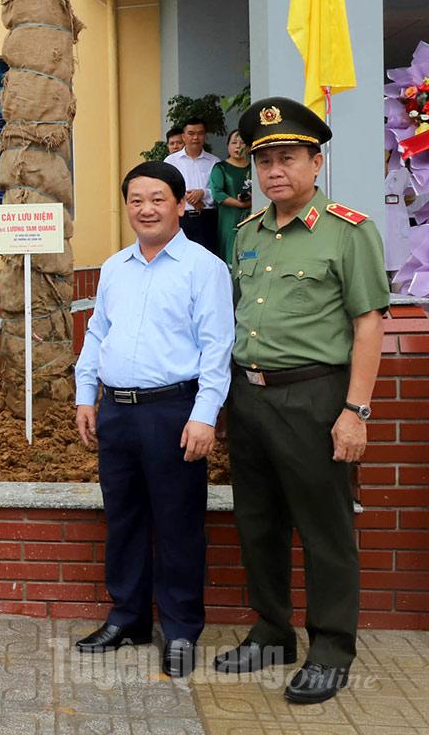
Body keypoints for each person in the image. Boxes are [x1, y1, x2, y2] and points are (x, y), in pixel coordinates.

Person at [214, 98, 389, 704]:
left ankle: (332, 648)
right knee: (258, 523)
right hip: (250, 397)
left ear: (316, 163)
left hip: (314, 397)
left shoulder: (348, 231)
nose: (274, 172)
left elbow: (369, 323)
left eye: (288, 158)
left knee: (324, 530)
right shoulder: (247, 234)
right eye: (264, 162)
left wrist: (355, 411)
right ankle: (271, 632)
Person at [73, 161, 233, 678]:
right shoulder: (114, 267)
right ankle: (128, 618)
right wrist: (85, 395)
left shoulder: (204, 267)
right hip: (117, 412)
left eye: (158, 199)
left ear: (181, 204)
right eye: (136, 200)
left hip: (173, 412)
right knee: (123, 520)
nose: (146, 209)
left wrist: (205, 415)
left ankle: (181, 630)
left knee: (178, 525)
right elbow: (97, 332)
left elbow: (217, 347)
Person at [164, 117, 220, 253]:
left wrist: (203, 194)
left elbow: (219, 190)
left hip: (206, 218)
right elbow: (165, 189)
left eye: (200, 133)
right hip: (180, 218)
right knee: (179, 255)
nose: (195, 137)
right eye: (191, 133)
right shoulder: (171, 161)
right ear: (183, 136)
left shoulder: (214, 162)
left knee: (207, 255)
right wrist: (189, 199)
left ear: (205, 136)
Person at [209, 129, 253, 264]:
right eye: (234, 143)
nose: (238, 146)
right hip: (230, 219)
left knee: (251, 253)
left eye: (242, 143)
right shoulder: (221, 168)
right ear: (228, 146)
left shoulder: (255, 168)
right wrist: (240, 204)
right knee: (231, 255)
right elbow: (217, 193)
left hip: (253, 217)